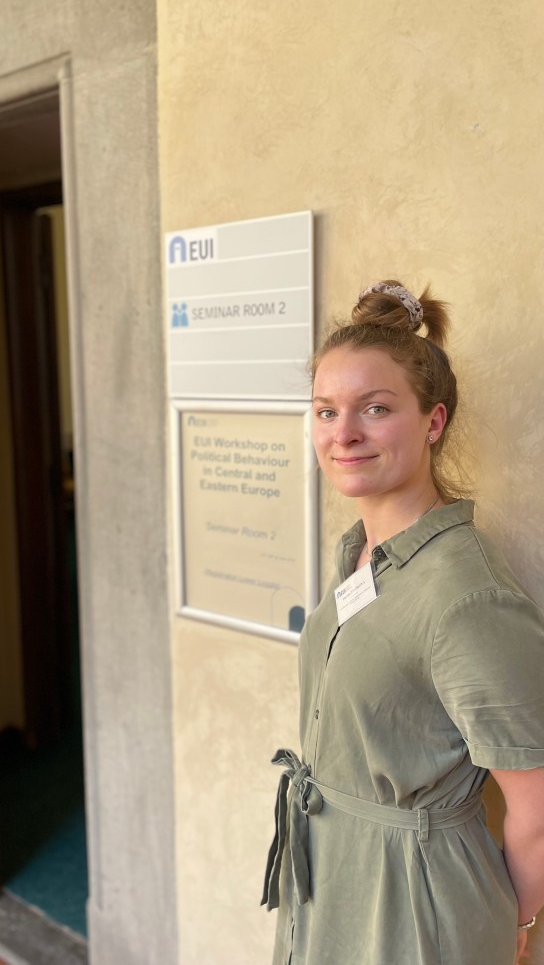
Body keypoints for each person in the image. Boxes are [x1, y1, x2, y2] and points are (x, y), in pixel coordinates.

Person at [261, 282, 544, 965]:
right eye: (326, 411)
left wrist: (516, 922)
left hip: (416, 907)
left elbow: (537, 805)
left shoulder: (467, 596)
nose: (343, 433)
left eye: (376, 408)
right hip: (330, 873)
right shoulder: (359, 556)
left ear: (433, 422)